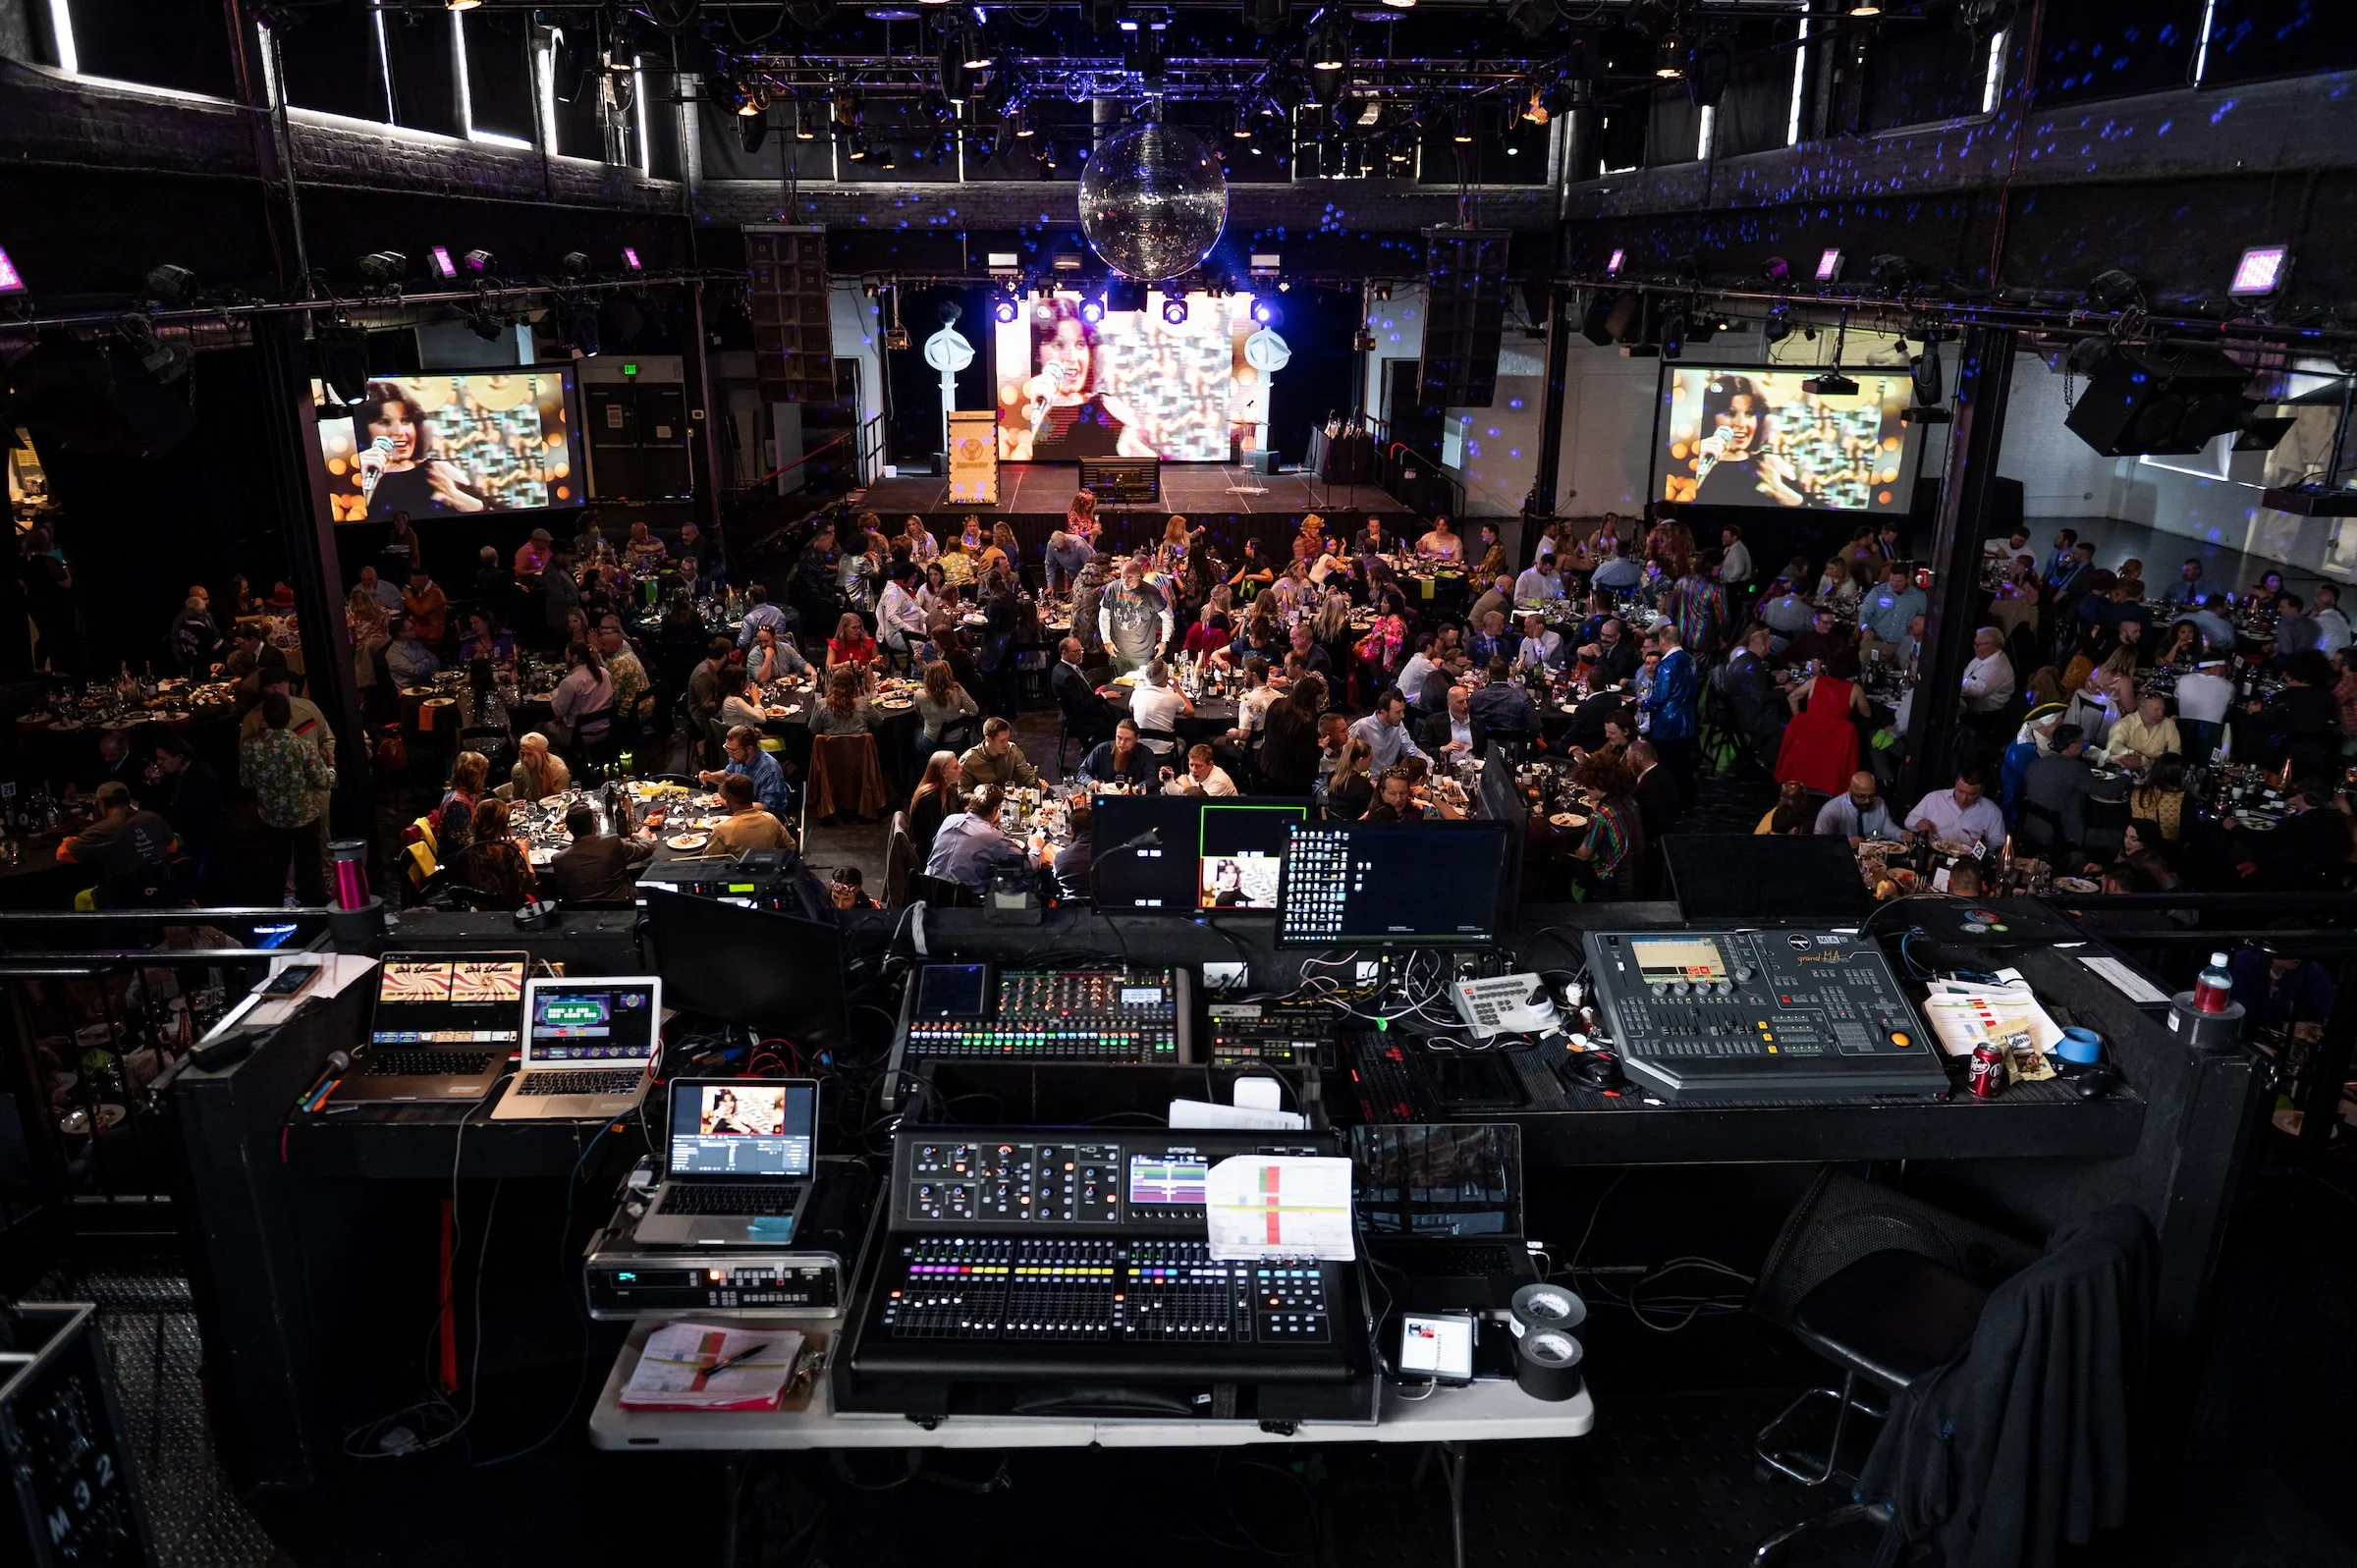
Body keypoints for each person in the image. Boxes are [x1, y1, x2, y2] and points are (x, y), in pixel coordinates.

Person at [241, 691, 336, 903]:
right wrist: (331, 767)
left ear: (264, 717)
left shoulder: (250, 747)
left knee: (279, 864)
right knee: (311, 864)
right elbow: (324, 781)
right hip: (304, 817)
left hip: (272, 818)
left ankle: (282, 902)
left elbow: (245, 783)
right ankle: (318, 906)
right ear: (288, 717)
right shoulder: (301, 746)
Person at [58, 780, 179, 905]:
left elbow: (63, 854)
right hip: (161, 888)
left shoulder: (103, 828)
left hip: (124, 896)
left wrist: (72, 839)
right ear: (128, 800)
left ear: (101, 803)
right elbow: (172, 846)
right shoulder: (153, 817)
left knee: (78, 897)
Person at [2244, 650, 2342, 780]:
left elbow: (2262, 723)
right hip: (2316, 760)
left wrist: (2254, 712)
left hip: (2281, 758)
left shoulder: (2283, 698)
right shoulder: (2327, 697)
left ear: (2290, 674)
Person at [1776, 666, 1867, 797]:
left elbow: (1792, 697)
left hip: (1809, 736)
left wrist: (1800, 720)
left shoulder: (1815, 681)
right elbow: (1866, 712)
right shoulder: (1855, 689)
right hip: (1836, 741)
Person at [1568, 750, 1647, 898]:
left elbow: (1584, 854)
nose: (1585, 788)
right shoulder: (1629, 801)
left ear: (1596, 785)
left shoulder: (1601, 816)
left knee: (1562, 864)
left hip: (1608, 877)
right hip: (1633, 873)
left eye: (1587, 785)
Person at [924, 784, 1030, 891]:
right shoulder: (992, 836)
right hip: (963, 902)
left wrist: (988, 825)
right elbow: (1025, 865)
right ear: (995, 810)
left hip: (928, 893)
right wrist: (1036, 848)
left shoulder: (950, 820)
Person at [1642, 622, 1700, 804]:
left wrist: (1643, 704)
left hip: (1667, 725)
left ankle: (1668, 804)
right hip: (1687, 722)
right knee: (1683, 766)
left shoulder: (1665, 665)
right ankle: (1685, 802)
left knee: (1667, 767)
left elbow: (1659, 698)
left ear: (1663, 641)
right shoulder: (1690, 659)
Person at [2021, 723, 2102, 852]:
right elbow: (2107, 790)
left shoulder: (2034, 764)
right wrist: (2126, 774)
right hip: (2065, 833)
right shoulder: (2076, 768)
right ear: (2072, 746)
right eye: (2081, 743)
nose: (2082, 747)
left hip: (2033, 827)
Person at [1722, 623, 1788, 766]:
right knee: (1785, 725)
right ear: (1762, 647)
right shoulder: (1753, 665)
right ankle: (1767, 758)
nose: (1769, 651)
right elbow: (1761, 698)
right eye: (1768, 647)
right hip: (1750, 716)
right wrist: (1784, 690)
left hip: (1739, 710)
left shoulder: (1744, 660)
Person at [452, 797, 535, 906]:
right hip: (510, 906)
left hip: (479, 905)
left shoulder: (467, 846)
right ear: (502, 824)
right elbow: (530, 882)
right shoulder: (506, 852)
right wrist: (525, 853)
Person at [1099, 558, 1175, 675]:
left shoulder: (1151, 592)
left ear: (1138, 576)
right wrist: (1106, 640)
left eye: (1129, 578)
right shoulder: (1113, 588)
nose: (1125, 582)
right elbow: (1104, 615)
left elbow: (1168, 616)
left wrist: (1164, 641)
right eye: (1123, 577)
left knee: (1142, 687)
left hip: (1142, 654)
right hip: (1118, 652)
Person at [1906, 767, 2008, 850]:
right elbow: (1909, 820)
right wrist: (1918, 823)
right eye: (1960, 791)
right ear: (1956, 783)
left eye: (1971, 794)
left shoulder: (1992, 811)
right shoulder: (1935, 798)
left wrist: (1982, 846)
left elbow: (1998, 843)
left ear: (1981, 791)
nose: (1964, 798)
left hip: (1968, 861)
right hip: (1932, 851)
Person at [551, 641, 615, 750]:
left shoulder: (570, 682)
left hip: (580, 736)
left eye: (566, 655)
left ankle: (561, 763)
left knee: (539, 729)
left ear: (574, 658)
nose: (565, 658)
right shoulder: (604, 672)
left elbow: (559, 712)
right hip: (606, 732)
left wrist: (554, 695)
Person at [1349, 690, 1429, 776]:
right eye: (1397, 712)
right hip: (1366, 780)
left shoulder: (1399, 726)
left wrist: (1430, 763)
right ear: (1383, 712)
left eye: (1403, 711)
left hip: (1391, 780)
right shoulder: (1361, 727)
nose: (1402, 716)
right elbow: (1345, 758)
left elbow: (1411, 750)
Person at [911, 658, 981, 749]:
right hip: (955, 741)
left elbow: (918, 711)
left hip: (931, 741)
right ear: (948, 674)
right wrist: (960, 713)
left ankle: (919, 762)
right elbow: (974, 711)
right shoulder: (958, 690)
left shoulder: (919, 694)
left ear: (927, 675)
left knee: (914, 733)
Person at [1127, 659, 1193, 755]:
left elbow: (1131, 709)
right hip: (1165, 751)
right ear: (1166, 676)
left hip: (1139, 747)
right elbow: (1191, 713)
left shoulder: (1137, 692)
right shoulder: (1173, 696)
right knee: (1184, 742)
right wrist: (1178, 689)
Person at [1815, 771, 1901, 843]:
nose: (1867, 800)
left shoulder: (1879, 802)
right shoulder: (1831, 810)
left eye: (1871, 795)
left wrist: (1901, 834)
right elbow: (1819, 841)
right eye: (1861, 796)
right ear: (1850, 792)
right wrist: (1846, 843)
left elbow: (1888, 828)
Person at [905, 751, 962, 860]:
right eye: (955, 768)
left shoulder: (948, 790)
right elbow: (932, 838)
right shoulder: (930, 798)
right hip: (931, 857)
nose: (961, 769)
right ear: (943, 773)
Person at [959, 715, 1039, 790]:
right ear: (988, 739)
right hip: (982, 803)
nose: (1007, 744)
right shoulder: (968, 760)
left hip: (1009, 800)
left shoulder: (1012, 750)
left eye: (1007, 739)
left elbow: (1027, 774)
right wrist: (983, 797)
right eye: (1002, 741)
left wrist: (1037, 782)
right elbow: (963, 793)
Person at [1078, 717, 1158, 790]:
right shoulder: (1102, 749)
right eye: (1119, 738)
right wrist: (1090, 781)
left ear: (1137, 738)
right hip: (1106, 797)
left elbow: (1152, 779)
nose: (1122, 743)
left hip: (1133, 797)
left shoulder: (1145, 753)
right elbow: (1083, 771)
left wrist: (1137, 788)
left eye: (1128, 739)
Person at [2106, 692, 2179, 769]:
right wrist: (2132, 754)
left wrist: (2150, 762)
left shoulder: (2169, 725)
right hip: (2126, 769)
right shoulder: (2125, 723)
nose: (2160, 713)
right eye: (2156, 710)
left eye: (2162, 709)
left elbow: (2175, 756)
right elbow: (2112, 746)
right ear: (2141, 709)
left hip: (2157, 771)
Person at [1783, 606, 1859, 679]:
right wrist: (1797, 667)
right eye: (1825, 623)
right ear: (1815, 621)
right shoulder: (1804, 639)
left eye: (1831, 623)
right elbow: (1784, 657)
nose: (1829, 626)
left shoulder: (1837, 639)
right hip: (1808, 679)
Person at [435, 751, 489, 853]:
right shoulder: (457, 804)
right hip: (457, 860)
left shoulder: (465, 794)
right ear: (474, 776)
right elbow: (466, 845)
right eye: (483, 773)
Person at [1417, 682, 1486, 761]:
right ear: (1449, 704)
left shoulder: (1478, 722)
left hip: (1475, 767)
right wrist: (1442, 749)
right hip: (1447, 768)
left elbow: (1485, 750)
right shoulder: (1434, 722)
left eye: (1467, 701)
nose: (1466, 706)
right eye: (1460, 702)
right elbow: (1423, 750)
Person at [1961, 626, 2016, 715]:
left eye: (1977, 644)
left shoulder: (1999, 667)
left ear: (1992, 645)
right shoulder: (1980, 657)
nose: (1974, 647)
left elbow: (1978, 690)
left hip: (1985, 715)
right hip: (1969, 704)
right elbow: (1965, 677)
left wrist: (1954, 685)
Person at [809, 665, 871, 737]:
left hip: (831, 747)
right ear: (854, 684)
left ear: (831, 685)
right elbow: (878, 722)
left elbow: (813, 729)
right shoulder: (864, 703)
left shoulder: (821, 704)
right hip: (859, 748)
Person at [1324, 735, 1377, 820]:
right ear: (1361, 760)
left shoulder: (1332, 776)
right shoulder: (1363, 785)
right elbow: (1368, 810)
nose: (1371, 763)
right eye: (1370, 759)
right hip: (1354, 828)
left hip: (1334, 825)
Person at [509, 731, 572, 802]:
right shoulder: (518, 770)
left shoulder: (559, 770)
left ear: (541, 754)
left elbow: (562, 801)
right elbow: (516, 799)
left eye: (530, 754)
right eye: (523, 754)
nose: (525, 759)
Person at [1163, 742, 1238, 797]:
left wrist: (1186, 785)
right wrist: (1169, 780)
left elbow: (1201, 802)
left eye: (1199, 766)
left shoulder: (1219, 781)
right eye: (1191, 765)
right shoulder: (1196, 774)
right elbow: (1177, 794)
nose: (1194, 770)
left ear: (1210, 764)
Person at [402, 566, 449, 650]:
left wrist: (409, 597)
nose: (410, 583)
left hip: (433, 630)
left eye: (412, 580)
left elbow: (420, 611)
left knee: (401, 636)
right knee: (399, 628)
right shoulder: (421, 590)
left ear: (421, 579)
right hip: (421, 625)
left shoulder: (435, 593)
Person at [384, 616, 440, 686]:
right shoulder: (393, 654)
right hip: (408, 690)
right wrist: (427, 661)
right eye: (411, 629)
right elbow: (413, 671)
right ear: (400, 633)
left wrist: (423, 664)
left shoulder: (416, 644)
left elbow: (436, 661)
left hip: (427, 683)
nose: (415, 630)